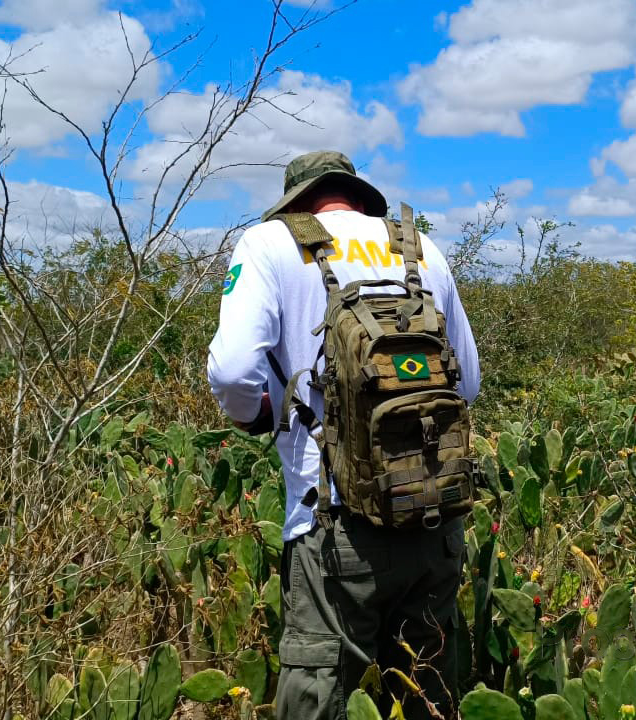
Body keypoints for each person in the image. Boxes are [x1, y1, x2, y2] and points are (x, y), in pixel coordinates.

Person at [205, 150, 481, 719]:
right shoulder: (419, 245)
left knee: (324, 700)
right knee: (427, 697)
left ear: (297, 202)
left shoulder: (271, 243)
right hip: (433, 513)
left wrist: (255, 416)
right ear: (357, 197)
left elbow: (233, 369)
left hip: (332, 522)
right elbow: (468, 384)